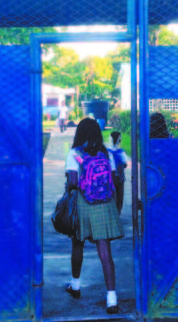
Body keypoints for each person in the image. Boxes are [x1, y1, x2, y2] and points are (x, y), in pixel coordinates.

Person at [65, 118, 124, 314]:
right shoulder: (106, 153)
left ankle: (75, 285)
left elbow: (73, 182)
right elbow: (114, 180)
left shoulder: (75, 153)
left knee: (77, 244)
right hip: (104, 204)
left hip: (83, 203)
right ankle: (112, 299)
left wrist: (70, 188)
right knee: (105, 251)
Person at [106, 131, 129, 215]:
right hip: (119, 176)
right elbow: (125, 164)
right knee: (120, 194)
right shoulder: (121, 152)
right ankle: (118, 211)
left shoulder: (106, 151)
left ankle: (111, 212)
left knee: (111, 194)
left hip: (109, 175)